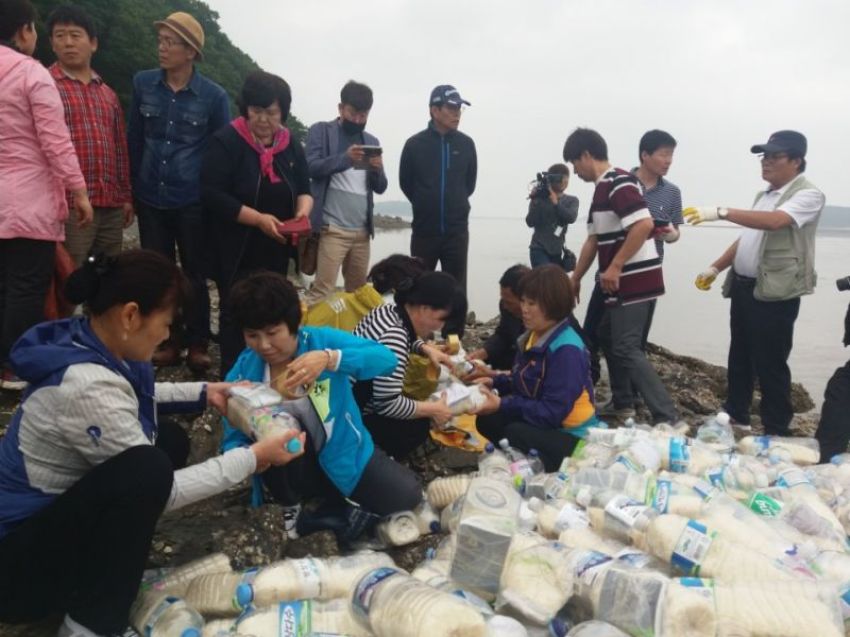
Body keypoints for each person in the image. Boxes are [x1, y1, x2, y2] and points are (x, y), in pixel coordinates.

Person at [0, 250, 302, 637]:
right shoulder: (84, 387)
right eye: (165, 323)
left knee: (169, 441)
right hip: (17, 573)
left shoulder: (89, 339)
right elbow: (163, 488)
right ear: (130, 315)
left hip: (44, 527)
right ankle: (89, 624)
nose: (166, 335)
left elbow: (135, 395)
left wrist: (207, 391)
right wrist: (252, 457)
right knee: (149, 468)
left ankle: (103, 558)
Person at [221, 271, 421, 540]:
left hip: (343, 452)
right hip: (287, 466)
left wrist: (330, 359)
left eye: (272, 333)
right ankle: (291, 506)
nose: (264, 345)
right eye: (252, 335)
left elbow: (384, 358)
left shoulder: (320, 342)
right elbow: (232, 429)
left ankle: (329, 506)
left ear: (293, 324)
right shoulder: (245, 370)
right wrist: (246, 457)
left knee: (407, 496)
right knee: (279, 430)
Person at [685, 130, 824, 435]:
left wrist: (720, 212)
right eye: (764, 156)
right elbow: (749, 236)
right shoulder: (763, 196)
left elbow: (775, 223)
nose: (766, 162)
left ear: (797, 161)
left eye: (775, 156)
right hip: (745, 287)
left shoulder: (807, 194)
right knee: (740, 355)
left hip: (776, 293)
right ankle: (737, 416)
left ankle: (777, 428)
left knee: (771, 361)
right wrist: (715, 267)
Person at [127, 11, 231, 372]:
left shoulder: (214, 97)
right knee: (157, 273)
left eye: (170, 42)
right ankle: (167, 340)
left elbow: (220, 153)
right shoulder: (143, 84)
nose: (162, 48)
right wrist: (132, 193)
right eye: (161, 40)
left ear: (191, 52)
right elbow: (135, 141)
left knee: (194, 274)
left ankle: (198, 340)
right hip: (150, 195)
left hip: (192, 200)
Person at [0, 0, 93, 391]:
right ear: (25, 31)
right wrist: (80, 190)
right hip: (27, 200)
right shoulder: (30, 73)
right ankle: (13, 365)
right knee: (26, 286)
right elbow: (55, 141)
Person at [201, 71, 312, 378]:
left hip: (275, 244)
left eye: (272, 113)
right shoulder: (227, 141)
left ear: (283, 113)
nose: (264, 119)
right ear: (246, 108)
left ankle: (267, 370)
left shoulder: (290, 146)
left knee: (272, 305)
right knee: (235, 308)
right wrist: (258, 219)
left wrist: (302, 214)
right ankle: (234, 375)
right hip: (236, 243)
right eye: (257, 111)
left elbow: (304, 188)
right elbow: (212, 193)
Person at [565, 128, 677, 424]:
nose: (574, 172)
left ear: (587, 155)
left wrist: (614, 266)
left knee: (627, 346)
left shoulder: (619, 182)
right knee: (604, 334)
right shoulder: (602, 189)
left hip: (634, 280)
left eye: (574, 163)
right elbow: (593, 240)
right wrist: (575, 278)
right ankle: (623, 402)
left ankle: (668, 416)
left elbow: (643, 225)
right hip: (619, 282)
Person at [473, 265, 601, 471]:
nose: (524, 309)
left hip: (574, 436)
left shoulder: (567, 350)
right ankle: (524, 458)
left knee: (514, 431)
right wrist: (494, 382)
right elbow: (524, 379)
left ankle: (545, 466)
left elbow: (552, 413)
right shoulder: (534, 335)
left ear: (553, 305)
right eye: (523, 301)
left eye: (532, 303)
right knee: (488, 419)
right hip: (548, 423)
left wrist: (503, 404)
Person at [47, 5, 133, 266]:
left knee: (107, 277)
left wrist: (126, 197)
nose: (68, 43)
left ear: (93, 43)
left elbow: (119, 149)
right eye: (60, 36)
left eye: (75, 35)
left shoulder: (107, 94)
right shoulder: (44, 85)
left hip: (110, 203)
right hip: (70, 204)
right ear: (51, 43)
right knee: (69, 276)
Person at [353, 271, 461, 459]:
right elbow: (386, 404)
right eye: (440, 319)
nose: (440, 328)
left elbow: (400, 336)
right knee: (417, 427)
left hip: (342, 394)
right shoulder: (396, 336)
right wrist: (432, 409)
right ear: (425, 309)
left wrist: (425, 348)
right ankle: (370, 456)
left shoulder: (386, 310)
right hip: (352, 414)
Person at [304, 80, 388, 306]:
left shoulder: (370, 141)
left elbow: (380, 187)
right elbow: (311, 167)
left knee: (357, 294)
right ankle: (307, 338)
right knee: (322, 291)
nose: (358, 120)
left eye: (364, 115)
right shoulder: (321, 132)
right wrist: (345, 159)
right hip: (332, 229)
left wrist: (378, 169)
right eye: (354, 113)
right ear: (341, 108)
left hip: (361, 232)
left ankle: (351, 338)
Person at [399, 85, 477, 296]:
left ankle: (453, 331)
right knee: (420, 289)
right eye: (451, 108)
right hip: (425, 232)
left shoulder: (467, 144)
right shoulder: (414, 145)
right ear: (434, 110)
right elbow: (406, 183)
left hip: (457, 232)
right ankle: (419, 331)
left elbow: (469, 185)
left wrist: (456, 202)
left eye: (459, 108)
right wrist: (425, 203)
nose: (457, 113)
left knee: (456, 292)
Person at [469, 264, 529, 370]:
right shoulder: (506, 307)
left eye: (509, 302)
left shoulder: (545, 320)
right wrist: (485, 351)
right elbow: (504, 334)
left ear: (525, 299)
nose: (505, 306)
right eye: (503, 299)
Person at [525, 164, 579, 269]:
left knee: (554, 283)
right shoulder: (540, 198)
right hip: (538, 247)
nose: (564, 182)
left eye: (566, 178)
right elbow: (530, 222)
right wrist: (535, 201)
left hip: (557, 250)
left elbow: (571, 218)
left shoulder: (571, 200)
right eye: (560, 178)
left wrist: (556, 203)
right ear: (550, 179)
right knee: (545, 277)